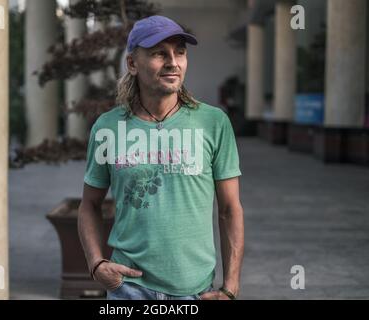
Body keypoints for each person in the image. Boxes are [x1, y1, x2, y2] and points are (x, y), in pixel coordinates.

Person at [78, 15, 244, 300]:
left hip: (193, 291)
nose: (173, 62)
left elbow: (229, 209)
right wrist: (96, 264)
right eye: (159, 53)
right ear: (132, 63)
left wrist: (230, 288)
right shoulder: (108, 127)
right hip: (127, 287)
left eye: (180, 52)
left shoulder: (213, 122)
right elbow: (89, 205)